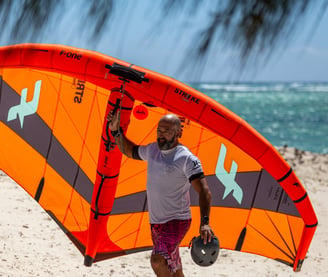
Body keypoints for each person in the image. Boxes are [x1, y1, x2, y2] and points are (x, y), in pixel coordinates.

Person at [108, 111, 213, 277]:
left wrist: (205, 223)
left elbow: (204, 191)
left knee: (158, 260)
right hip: (156, 222)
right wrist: (116, 132)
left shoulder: (186, 158)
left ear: (178, 133)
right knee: (173, 266)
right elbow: (130, 151)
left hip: (177, 221)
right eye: (159, 131)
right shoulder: (152, 150)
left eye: (167, 131)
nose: (161, 135)